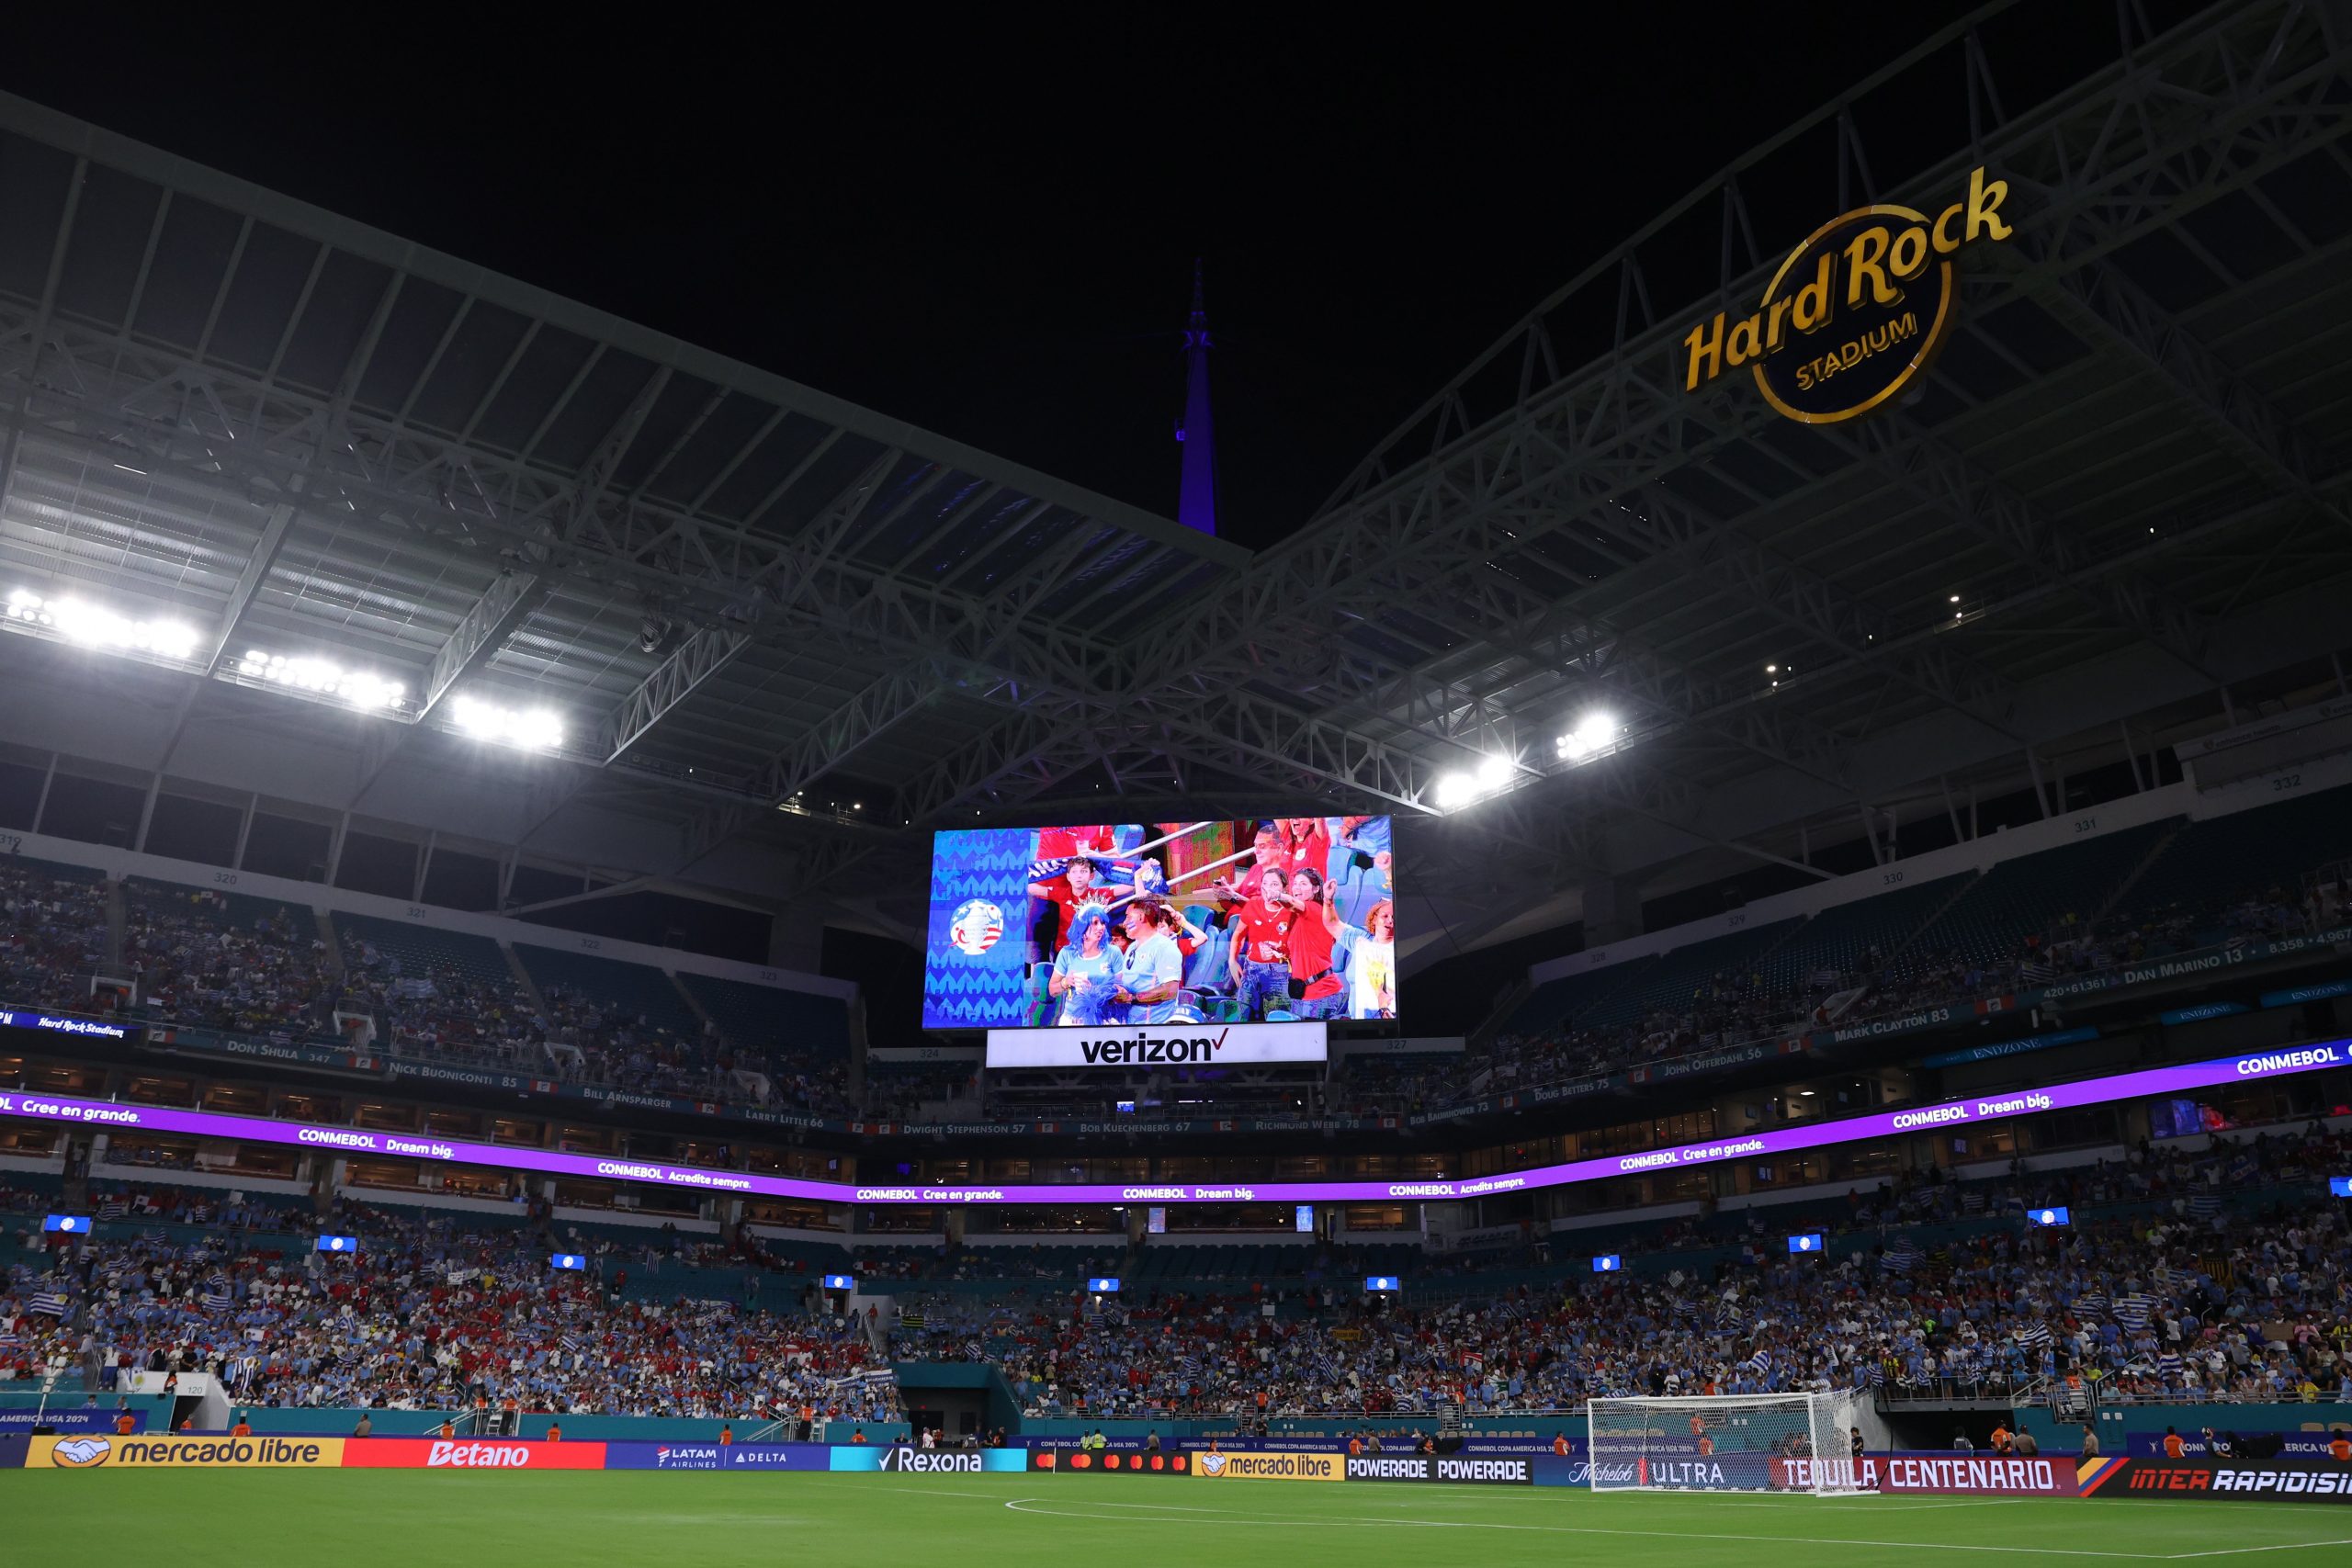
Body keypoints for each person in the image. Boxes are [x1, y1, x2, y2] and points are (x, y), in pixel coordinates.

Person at [1227, 870, 1295, 1021]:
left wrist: (1282, 952)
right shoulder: (1253, 904)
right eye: (1265, 883)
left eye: (1274, 884)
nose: (1268, 888)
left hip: (1280, 973)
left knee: (1276, 1021)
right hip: (1251, 970)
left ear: (1284, 888)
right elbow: (1238, 934)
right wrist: (1232, 960)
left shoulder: (1292, 911)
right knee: (1243, 1018)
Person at [1320, 889, 1396, 1020]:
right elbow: (1332, 924)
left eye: (1395, 917)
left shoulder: (1402, 948)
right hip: (1359, 1021)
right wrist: (1328, 899)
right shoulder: (1360, 940)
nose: (1390, 921)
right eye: (1385, 916)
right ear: (1374, 919)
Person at [1283, 868, 1346, 1019]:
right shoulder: (1296, 918)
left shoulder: (1315, 909)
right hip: (1300, 994)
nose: (1297, 887)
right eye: (1295, 883)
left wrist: (1277, 895)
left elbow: (1291, 902)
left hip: (1322, 994)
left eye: (1303, 884)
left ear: (1316, 888)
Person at [1112, 901, 1184, 1024]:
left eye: (1128, 916)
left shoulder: (1165, 948)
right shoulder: (1132, 947)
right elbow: (1125, 978)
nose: (1124, 923)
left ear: (1141, 917)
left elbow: (1170, 991)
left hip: (1153, 1029)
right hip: (1131, 1024)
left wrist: (1132, 998)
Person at [1048, 905, 1121, 1026]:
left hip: (1105, 1018)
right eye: (1095, 923)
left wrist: (1096, 992)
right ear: (1082, 926)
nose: (1101, 928)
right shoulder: (1067, 953)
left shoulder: (1113, 952)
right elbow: (1052, 990)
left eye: (1102, 923)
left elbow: (1122, 991)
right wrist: (1066, 982)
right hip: (1073, 1020)